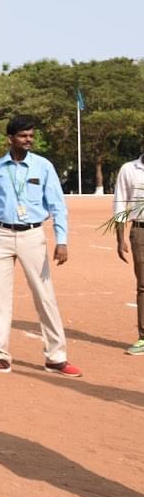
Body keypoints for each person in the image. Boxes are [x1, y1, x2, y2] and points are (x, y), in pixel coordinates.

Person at [0, 115, 81, 377]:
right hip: (1, 234)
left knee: (44, 296)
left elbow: (57, 205)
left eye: (31, 135)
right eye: (23, 136)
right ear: (10, 139)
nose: (29, 140)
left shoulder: (43, 166)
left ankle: (56, 357)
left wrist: (62, 239)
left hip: (33, 235)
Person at [113, 152, 144, 355]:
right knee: (143, 285)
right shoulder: (129, 169)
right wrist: (120, 237)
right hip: (140, 231)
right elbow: (120, 203)